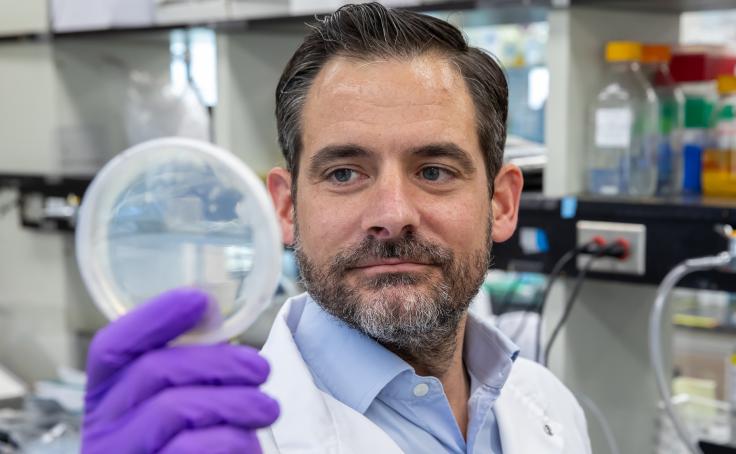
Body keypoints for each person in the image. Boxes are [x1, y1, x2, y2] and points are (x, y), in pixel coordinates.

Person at [80, 3, 591, 453]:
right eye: (344, 173)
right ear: (286, 207)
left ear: (501, 203)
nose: (392, 214)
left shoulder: (548, 408)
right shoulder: (228, 438)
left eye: (433, 171)